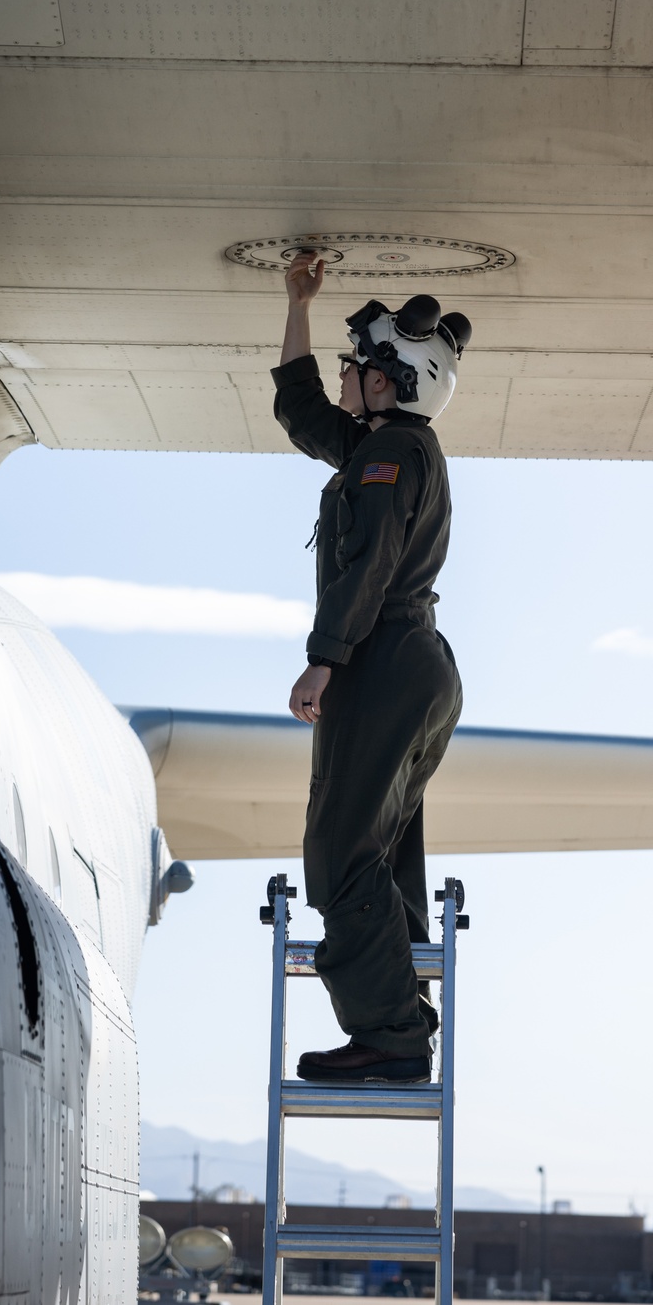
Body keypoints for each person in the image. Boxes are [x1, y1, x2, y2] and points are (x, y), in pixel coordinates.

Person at [271, 250, 471, 1083]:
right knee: (381, 852)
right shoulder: (378, 444)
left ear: (389, 382)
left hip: (383, 659)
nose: (348, 375)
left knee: (340, 847)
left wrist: (324, 660)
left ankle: (391, 1034)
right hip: (411, 666)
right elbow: (303, 413)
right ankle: (402, 1003)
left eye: (359, 366)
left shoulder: (391, 460)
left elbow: (372, 563)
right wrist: (297, 304)